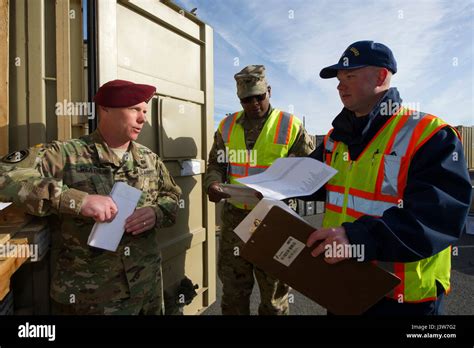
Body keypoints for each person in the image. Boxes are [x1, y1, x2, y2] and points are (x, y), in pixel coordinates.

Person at [304, 41, 471, 315]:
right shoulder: (336, 138)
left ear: (381, 77)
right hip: (344, 281)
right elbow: (311, 182)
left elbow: (437, 218)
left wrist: (358, 237)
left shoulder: (429, 135)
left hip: (403, 298)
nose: (339, 86)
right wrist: (268, 186)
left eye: (350, 76)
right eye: (339, 78)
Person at [0, 79, 182, 315]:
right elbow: (5, 175)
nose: (143, 118)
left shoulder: (150, 159)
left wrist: (156, 213)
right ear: (105, 109)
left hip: (147, 290)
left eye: (145, 111)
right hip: (91, 298)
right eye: (135, 109)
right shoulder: (66, 154)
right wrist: (76, 200)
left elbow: (173, 197)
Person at [205, 65, 315, 315]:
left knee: (274, 297)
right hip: (235, 220)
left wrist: (280, 192)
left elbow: (308, 171)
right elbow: (216, 164)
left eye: (259, 97)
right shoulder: (226, 125)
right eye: (246, 99)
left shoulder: (290, 125)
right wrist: (212, 183)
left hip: (275, 219)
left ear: (269, 91)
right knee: (233, 292)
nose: (253, 103)